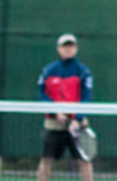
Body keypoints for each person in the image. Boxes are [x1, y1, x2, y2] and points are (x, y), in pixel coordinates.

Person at [37, 33, 94, 181]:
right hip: (53, 124)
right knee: (46, 160)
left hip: (76, 125)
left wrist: (77, 119)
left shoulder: (83, 72)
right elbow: (42, 94)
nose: (68, 49)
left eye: (71, 46)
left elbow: (86, 97)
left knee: (84, 161)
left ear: (76, 49)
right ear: (58, 49)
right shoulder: (48, 71)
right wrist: (56, 112)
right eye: (65, 46)